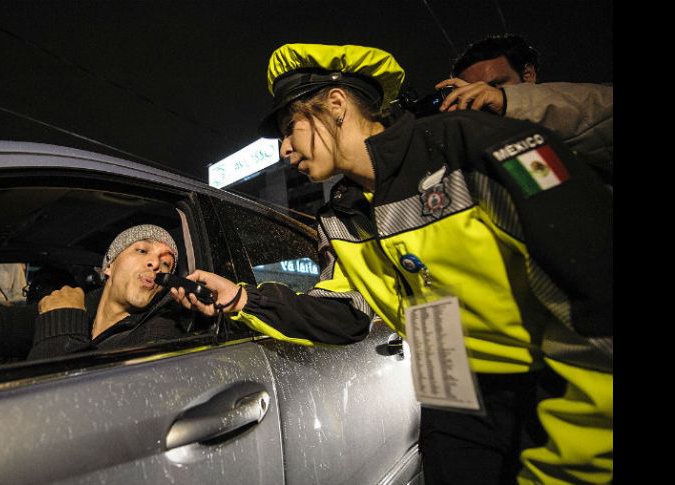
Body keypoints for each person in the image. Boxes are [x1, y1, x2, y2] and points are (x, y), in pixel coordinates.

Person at [169, 44, 612, 484]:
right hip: (450, 394)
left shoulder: (471, 145)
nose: (284, 149)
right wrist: (241, 299)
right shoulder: (340, 215)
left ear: (336, 104)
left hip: (553, 385)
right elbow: (346, 312)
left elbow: (594, 292)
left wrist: (581, 457)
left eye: (289, 128)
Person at [0, 224, 190, 360]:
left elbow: (67, 405)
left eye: (166, 264)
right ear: (109, 266)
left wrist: (63, 320)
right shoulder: (77, 303)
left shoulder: (159, 336)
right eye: (142, 250)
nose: (155, 263)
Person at [432, 34, 613, 185]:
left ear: (528, 75)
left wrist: (506, 100)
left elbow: (603, 114)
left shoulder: (581, 103)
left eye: (495, 85)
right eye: (470, 93)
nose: (482, 96)